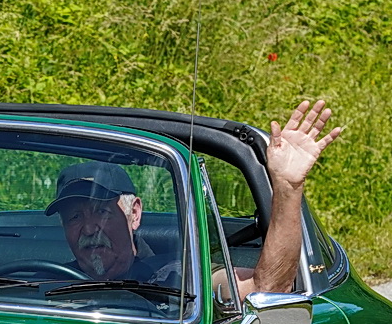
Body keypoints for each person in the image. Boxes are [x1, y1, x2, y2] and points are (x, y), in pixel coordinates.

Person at [46, 99, 344, 297]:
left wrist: (287, 188)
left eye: (100, 211)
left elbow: (268, 290)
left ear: (134, 214)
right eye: (74, 217)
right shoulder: (45, 281)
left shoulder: (181, 278)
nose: (87, 228)